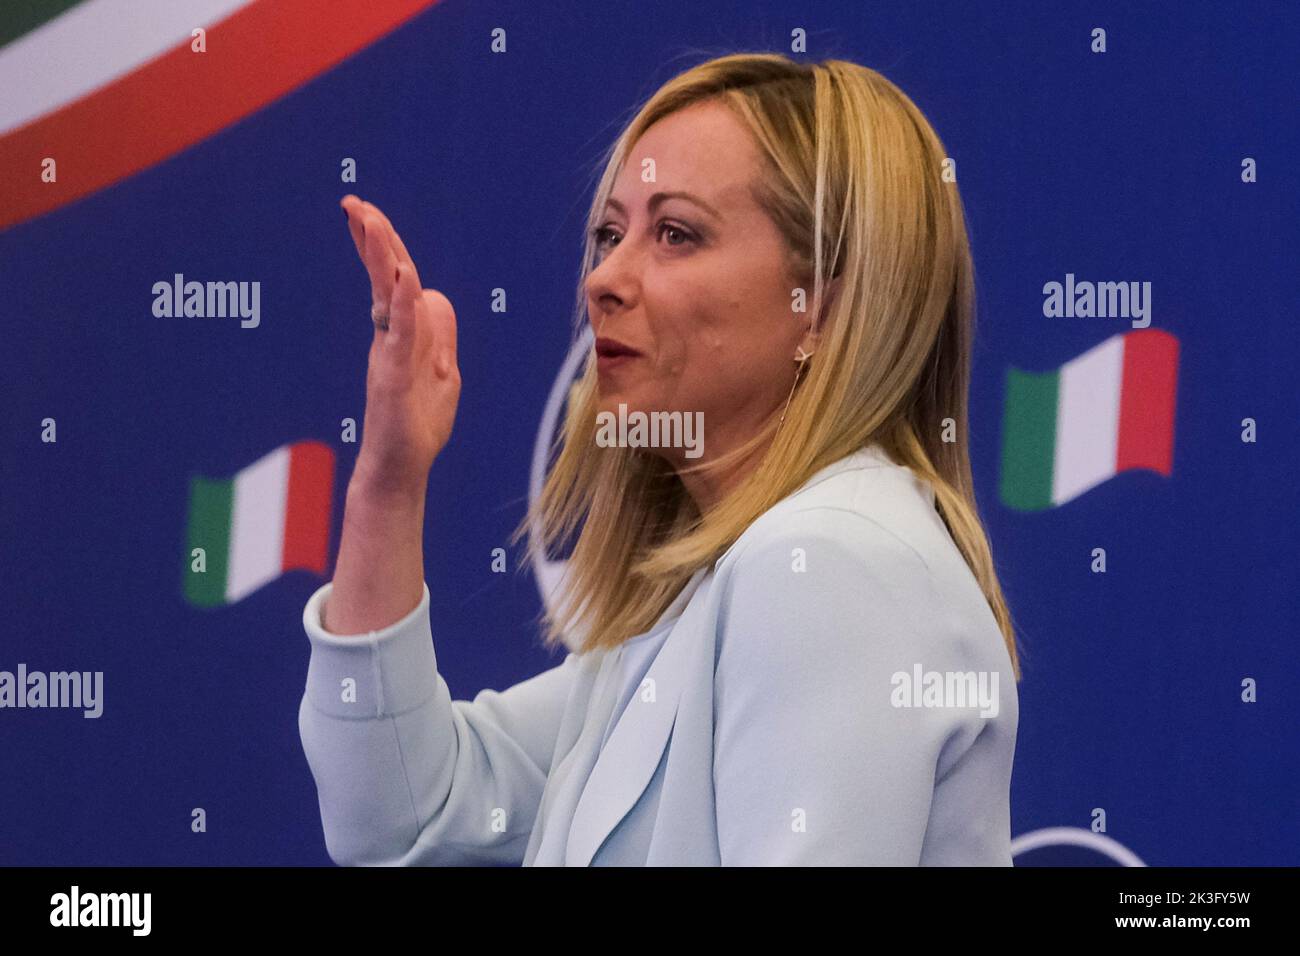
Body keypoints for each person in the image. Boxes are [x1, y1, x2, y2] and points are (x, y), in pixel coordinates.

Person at [298, 53, 1022, 866]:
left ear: (823, 304)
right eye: (610, 233)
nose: (603, 277)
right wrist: (388, 484)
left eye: (675, 233)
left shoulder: (824, 563)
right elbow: (402, 812)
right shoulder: (712, 598)